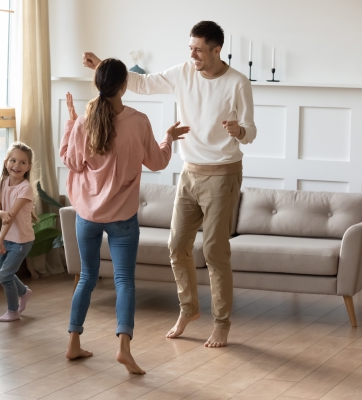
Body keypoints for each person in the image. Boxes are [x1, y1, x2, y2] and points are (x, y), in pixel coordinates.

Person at [82, 21, 256, 348]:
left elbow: (251, 129)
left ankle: (221, 323)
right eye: (190, 48)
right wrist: (103, 64)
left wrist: (240, 131)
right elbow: (144, 83)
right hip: (190, 172)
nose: (192, 54)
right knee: (177, 246)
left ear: (217, 50)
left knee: (216, 252)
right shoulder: (183, 72)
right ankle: (189, 309)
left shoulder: (238, 83)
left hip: (223, 173)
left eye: (198, 49)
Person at [61, 58, 189, 374]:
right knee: (124, 281)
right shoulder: (139, 121)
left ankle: (74, 342)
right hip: (122, 218)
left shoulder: (83, 123)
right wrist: (168, 138)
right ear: (124, 85)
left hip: (87, 215)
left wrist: (72, 122)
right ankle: (123, 349)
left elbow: (72, 162)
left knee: (87, 278)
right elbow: (158, 162)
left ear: (97, 85)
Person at [0, 142, 37, 322]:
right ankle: (24, 292)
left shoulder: (25, 188)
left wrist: (0, 239)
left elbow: (11, 216)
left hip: (21, 240)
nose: (17, 165)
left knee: (5, 275)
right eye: (13, 160)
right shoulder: (4, 182)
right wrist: (2, 213)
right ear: (6, 162)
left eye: (22, 162)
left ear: (28, 167)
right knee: (1, 274)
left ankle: (13, 311)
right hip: (7, 236)